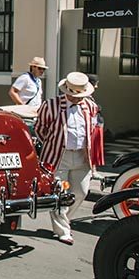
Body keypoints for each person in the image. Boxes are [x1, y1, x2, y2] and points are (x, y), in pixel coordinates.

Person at [34, 71, 99, 245]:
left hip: (81, 155)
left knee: (81, 191)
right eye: (75, 95)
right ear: (67, 91)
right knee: (59, 194)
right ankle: (62, 230)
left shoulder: (90, 107)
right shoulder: (51, 105)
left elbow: (92, 130)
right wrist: (53, 144)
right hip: (58, 157)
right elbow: (40, 129)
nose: (78, 99)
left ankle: (64, 220)